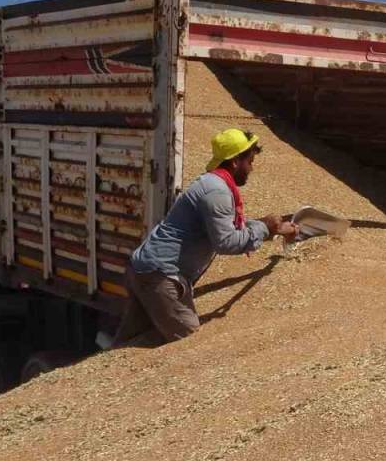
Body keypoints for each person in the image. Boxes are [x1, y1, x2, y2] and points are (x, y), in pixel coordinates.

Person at [113, 129, 298, 347]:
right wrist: (264, 228)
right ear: (236, 161)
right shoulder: (216, 192)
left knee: (131, 340)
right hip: (160, 275)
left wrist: (273, 229)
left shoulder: (213, 183)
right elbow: (226, 242)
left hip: (146, 269)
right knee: (188, 340)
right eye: (250, 161)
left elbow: (224, 227)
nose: (251, 168)